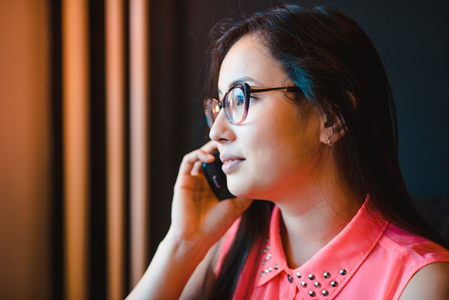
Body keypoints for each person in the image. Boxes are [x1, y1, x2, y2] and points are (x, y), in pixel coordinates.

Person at [127, 4, 449, 299]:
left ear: (332, 116)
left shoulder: (419, 282)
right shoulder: (229, 245)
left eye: (240, 98)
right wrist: (183, 242)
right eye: (220, 104)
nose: (216, 132)